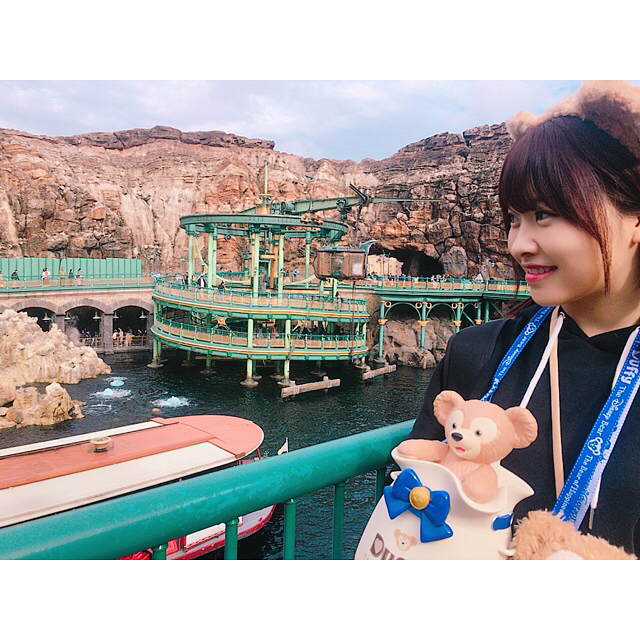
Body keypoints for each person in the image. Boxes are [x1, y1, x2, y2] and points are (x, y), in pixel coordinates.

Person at [407, 81, 640, 555]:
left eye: (545, 214)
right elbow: (413, 511)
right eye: (514, 218)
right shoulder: (474, 354)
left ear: (634, 219)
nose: (518, 244)